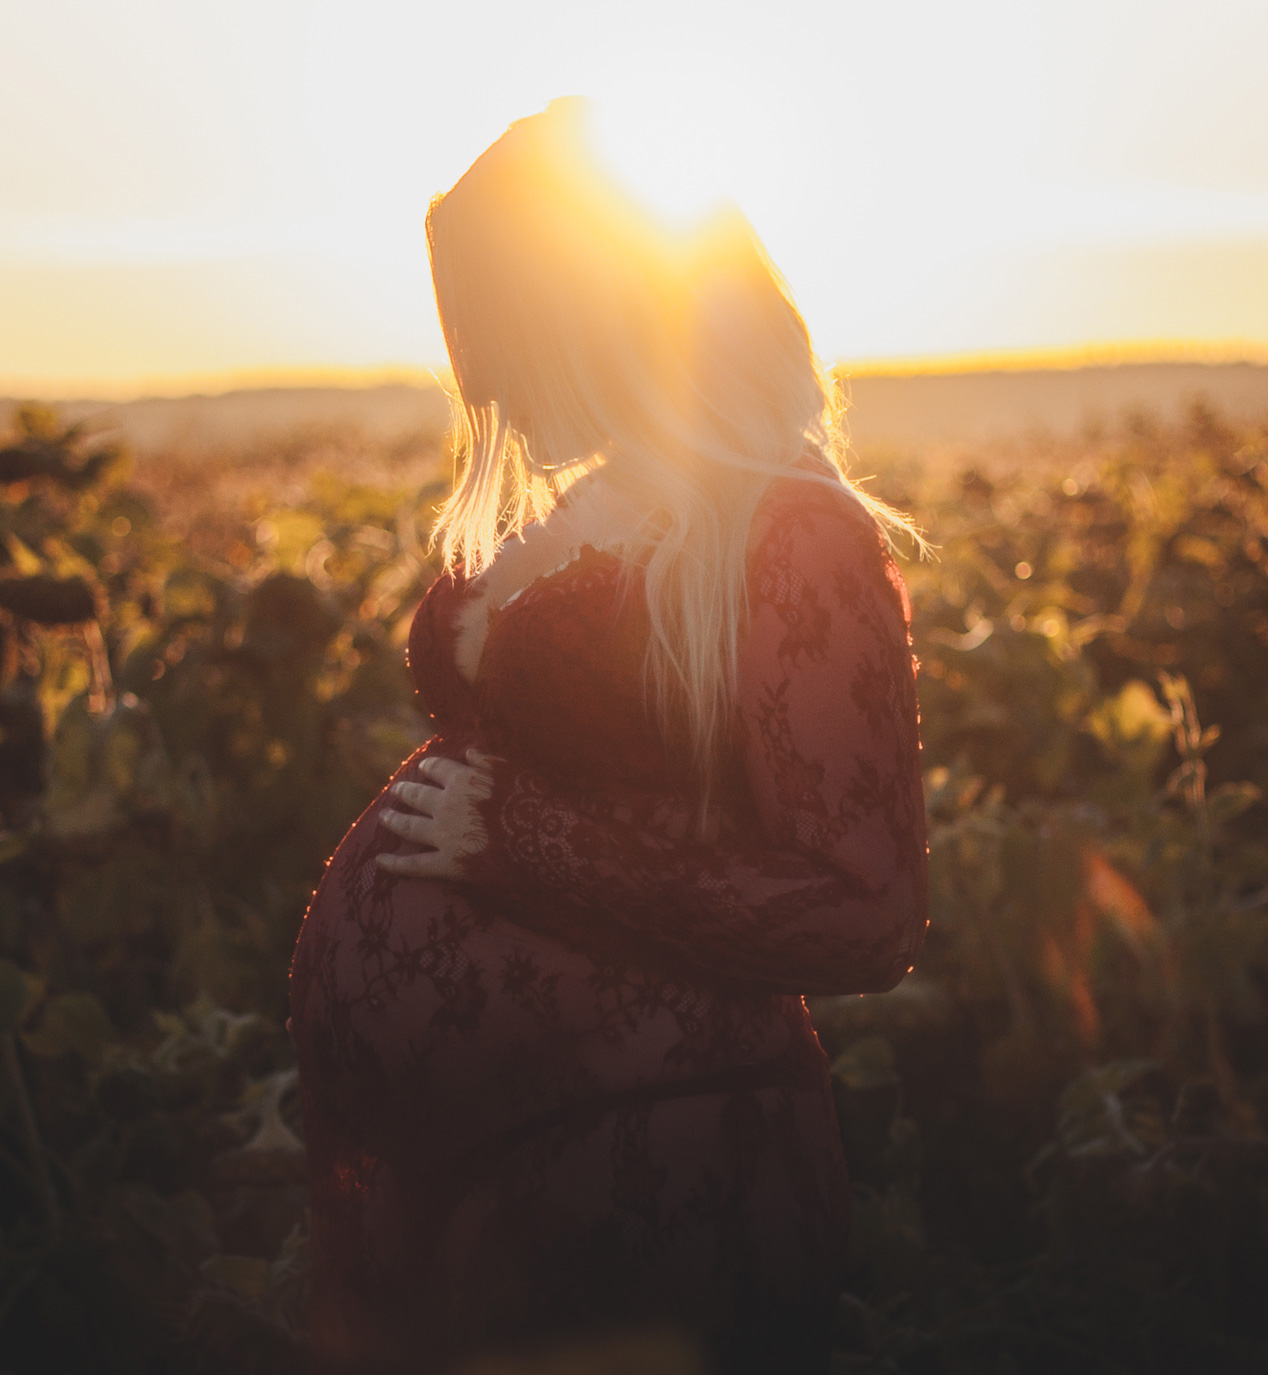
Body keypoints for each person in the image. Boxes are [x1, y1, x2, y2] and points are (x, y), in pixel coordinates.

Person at [286, 98, 930, 1373]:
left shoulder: (789, 533)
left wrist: (523, 843)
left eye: (502, 336)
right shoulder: (590, 506)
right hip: (481, 1181)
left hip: (653, 1166)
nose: (488, 386)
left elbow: (867, 909)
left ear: (597, 309)